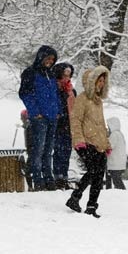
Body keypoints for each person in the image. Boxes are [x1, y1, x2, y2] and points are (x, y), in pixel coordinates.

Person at [65, 66, 111, 218]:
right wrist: (79, 141)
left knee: (99, 175)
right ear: (92, 82)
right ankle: (75, 197)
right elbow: (75, 120)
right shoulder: (82, 99)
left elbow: (101, 124)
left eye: (104, 81)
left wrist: (107, 144)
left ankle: (91, 206)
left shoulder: (98, 102)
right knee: (92, 171)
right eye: (99, 80)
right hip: (86, 142)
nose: (101, 84)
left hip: (99, 144)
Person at [18, 45, 60, 191]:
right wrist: (35, 112)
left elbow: (55, 95)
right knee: (38, 150)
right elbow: (25, 93)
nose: (50, 61)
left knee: (48, 150)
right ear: (41, 56)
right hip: (39, 118)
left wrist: (58, 110)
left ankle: (49, 178)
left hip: (52, 117)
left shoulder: (51, 74)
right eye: (48, 58)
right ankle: (37, 179)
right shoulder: (30, 72)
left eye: (53, 59)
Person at [52, 62, 76, 190]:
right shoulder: (54, 88)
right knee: (58, 151)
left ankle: (64, 177)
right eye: (64, 74)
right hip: (57, 125)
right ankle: (57, 178)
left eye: (69, 74)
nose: (67, 77)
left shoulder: (72, 91)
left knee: (66, 152)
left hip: (69, 126)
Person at [105, 117, 127, 190]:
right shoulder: (120, 134)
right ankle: (112, 191)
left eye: (108, 126)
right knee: (116, 179)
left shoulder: (114, 135)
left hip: (115, 163)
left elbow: (109, 146)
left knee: (117, 181)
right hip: (119, 163)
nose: (107, 128)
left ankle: (123, 193)